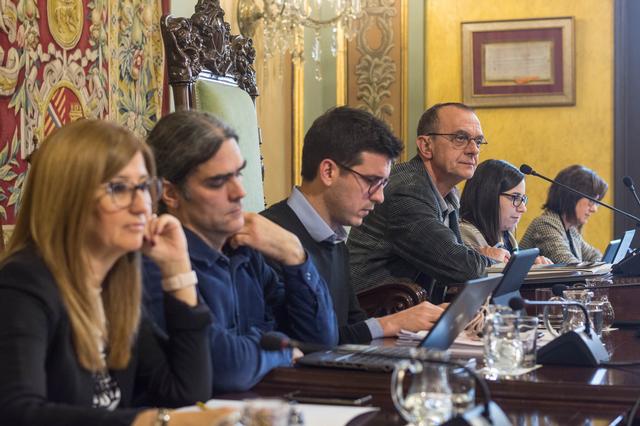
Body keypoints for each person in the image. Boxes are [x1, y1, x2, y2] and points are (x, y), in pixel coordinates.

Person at [0, 119, 234, 426]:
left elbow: (185, 392)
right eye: (119, 188)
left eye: (144, 187)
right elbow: (17, 412)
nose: (142, 206)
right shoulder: (23, 285)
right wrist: (150, 421)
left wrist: (178, 270)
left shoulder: (117, 284)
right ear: (68, 197)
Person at [144, 111, 338, 394]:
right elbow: (225, 367)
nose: (239, 192)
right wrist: (280, 351)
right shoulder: (158, 260)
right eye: (218, 182)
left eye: (238, 174)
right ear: (171, 194)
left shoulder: (244, 252)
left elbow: (319, 343)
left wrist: (294, 253)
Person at [261, 107, 446, 344]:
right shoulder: (268, 240)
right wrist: (391, 323)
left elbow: (351, 326)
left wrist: (419, 323)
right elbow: (295, 342)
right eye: (372, 181)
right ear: (328, 171)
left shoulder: (335, 241)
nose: (379, 197)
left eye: (383, 184)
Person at [347, 103, 504, 301]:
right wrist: (493, 260)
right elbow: (463, 268)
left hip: (412, 307)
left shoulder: (448, 191)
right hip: (374, 311)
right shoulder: (406, 190)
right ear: (426, 146)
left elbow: (454, 261)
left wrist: (477, 257)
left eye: (478, 141)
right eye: (460, 138)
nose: (473, 150)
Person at [459, 159, 552, 264]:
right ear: (488, 196)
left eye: (523, 199)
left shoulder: (505, 235)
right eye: (515, 197)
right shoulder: (465, 234)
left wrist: (528, 266)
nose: (523, 208)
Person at [520, 164, 608, 263]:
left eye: (597, 203)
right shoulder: (546, 225)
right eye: (591, 201)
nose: (594, 209)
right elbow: (570, 266)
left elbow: (595, 255)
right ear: (572, 197)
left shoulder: (571, 229)